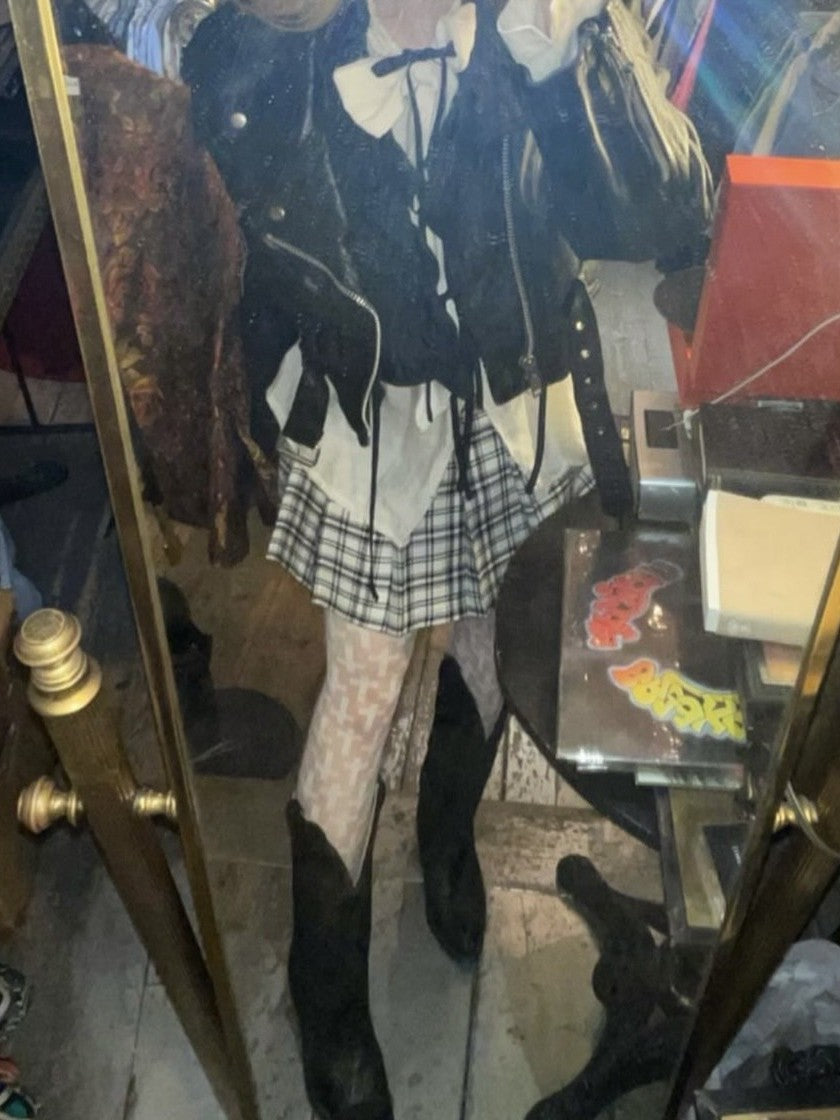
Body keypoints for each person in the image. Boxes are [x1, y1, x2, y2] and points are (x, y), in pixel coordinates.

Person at [182, 2, 708, 1115]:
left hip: (513, 391)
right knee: (363, 692)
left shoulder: (540, 23)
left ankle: (447, 833)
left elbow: (663, 218)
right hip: (373, 416)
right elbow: (240, 189)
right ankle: (328, 998)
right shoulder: (271, 47)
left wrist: (571, 67)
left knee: (494, 635)